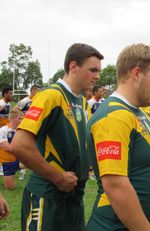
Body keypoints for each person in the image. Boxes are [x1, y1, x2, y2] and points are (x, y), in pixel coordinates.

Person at [86, 43, 150, 231]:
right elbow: (115, 186)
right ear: (136, 73)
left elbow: (147, 164)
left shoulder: (137, 111)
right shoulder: (114, 116)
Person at [11, 43, 104, 231]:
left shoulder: (82, 103)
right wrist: (57, 177)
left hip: (74, 197)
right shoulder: (51, 96)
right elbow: (19, 145)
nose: (98, 76)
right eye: (93, 70)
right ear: (73, 66)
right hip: (47, 197)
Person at [14, 84, 41, 180]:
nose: (39, 93)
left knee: (35, 149)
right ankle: (21, 172)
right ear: (33, 91)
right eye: (38, 91)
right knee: (25, 149)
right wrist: (23, 118)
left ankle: (35, 169)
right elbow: (15, 109)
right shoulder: (25, 101)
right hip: (25, 129)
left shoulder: (37, 100)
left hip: (34, 128)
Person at [0, 109, 25, 190]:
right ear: (13, 118)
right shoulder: (3, 130)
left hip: (17, 160)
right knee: (11, 188)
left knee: (34, 161)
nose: (22, 120)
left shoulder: (20, 130)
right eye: (20, 118)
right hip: (6, 163)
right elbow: (7, 147)